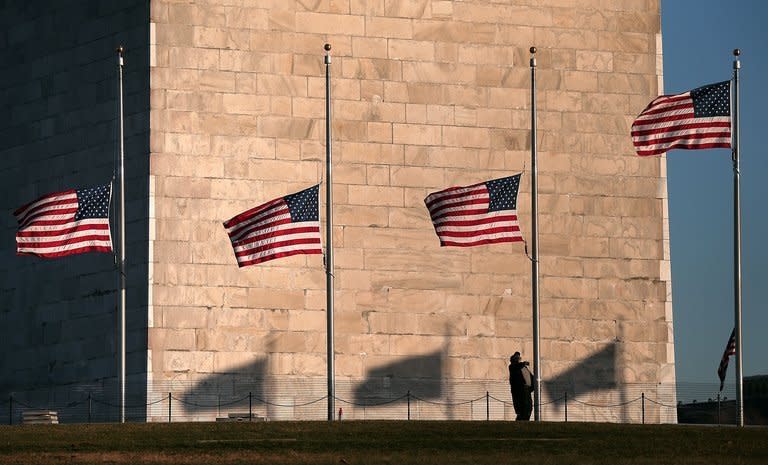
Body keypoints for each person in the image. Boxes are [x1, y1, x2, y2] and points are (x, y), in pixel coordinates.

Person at [508, 352, 533, 421]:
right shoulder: (512, 366)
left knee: (529, 407)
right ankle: (521, 420)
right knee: (522, 408)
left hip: (526, 390)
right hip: (519, 390)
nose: (518, 359)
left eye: (518, 358)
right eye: (517, 358)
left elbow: (530, 377)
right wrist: (523, 363)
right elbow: (517, 366)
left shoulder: (523, 367)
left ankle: (525, 420)